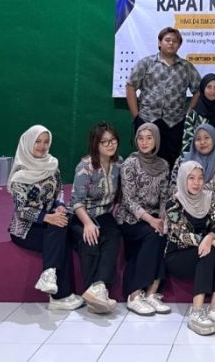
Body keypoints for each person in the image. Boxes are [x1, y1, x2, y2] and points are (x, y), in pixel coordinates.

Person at [8, 125, 83, 311]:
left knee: (60, 225)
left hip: (51, 222)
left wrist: (59, 207)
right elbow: (21, 210)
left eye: (46, 142)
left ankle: (49, 276)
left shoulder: (52, 167)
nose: (42, 146)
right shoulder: (19, 175)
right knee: (58, 233)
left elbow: (59, 194)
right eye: (37, 142)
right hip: (26, 229)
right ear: (28, 144)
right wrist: (47, 217)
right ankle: (59, 295)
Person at [165, 161, 215, 336]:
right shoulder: (173, 202)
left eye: (200, 178)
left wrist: (211, 238)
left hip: (203, 250)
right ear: (183, 179)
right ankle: (196, 312)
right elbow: (182, 235)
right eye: (191, 178)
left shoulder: (209, 197)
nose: (196, 183)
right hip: (178, 255)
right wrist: (212, 242)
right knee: (209, 251)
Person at [116, 122, 171, 316]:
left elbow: (164, 197)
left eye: (149, 138)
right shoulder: (130, 164)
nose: (144, 142)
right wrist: (151, 221)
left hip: (154, 216)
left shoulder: (163, 165)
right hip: (130, 218)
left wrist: (162, 220)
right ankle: (134, 295)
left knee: (163, 234)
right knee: (152, 235)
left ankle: (151, 294)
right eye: (140, 138)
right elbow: (128, 200)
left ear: (156, 140)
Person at [126, 26, 201, 168]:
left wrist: (188, 113)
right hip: (147, 119)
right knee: (146, 162)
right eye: (167, 40)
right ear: (159, 42)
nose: (171, 43)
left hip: (174, 123)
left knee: (170, 162)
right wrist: (136, 117)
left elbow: (198, 90)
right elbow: (130, 86)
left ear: (179, 45)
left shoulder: (186, 67)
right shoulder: (146, 63)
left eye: (175, 41)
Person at [68, 122, 123, 314]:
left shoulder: (119, 163)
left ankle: (98, 288)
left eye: (113, 140)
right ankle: (94, 292)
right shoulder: (85, 166)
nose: (110, 145)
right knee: (89, 241)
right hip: (82, 214)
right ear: (95, 144)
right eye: (104, 142)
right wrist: (87, 223)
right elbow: (76, 201)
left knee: (113, 235)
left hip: (104, 214)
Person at [171, 124, 215, 242]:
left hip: (213, 208)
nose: (202, 142)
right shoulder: (183, 159)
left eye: (207, 138)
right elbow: (173, 185)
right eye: (198, 139)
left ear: (214, 139)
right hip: (184, 207)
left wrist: (191, 191)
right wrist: (186, 195)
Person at [181, 74, 215, 153]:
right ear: (203, 89)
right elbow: (186, 144)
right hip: (196, 158)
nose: (212, 91)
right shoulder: (193, 114)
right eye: (209, 87)